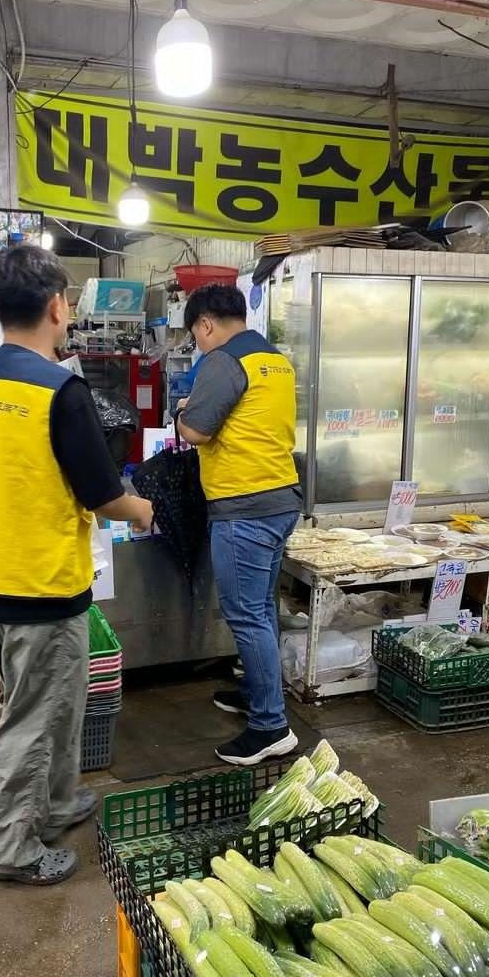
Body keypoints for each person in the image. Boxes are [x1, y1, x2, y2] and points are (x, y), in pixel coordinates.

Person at [0, 245, 153, 886]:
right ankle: (8, 847)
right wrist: (141, 510)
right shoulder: (62, 390)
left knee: (56, 701)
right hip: (44, 583)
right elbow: (103, 496)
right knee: (32, 717)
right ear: (57, 307)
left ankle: (55, 804)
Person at [176, 283, 302, 767]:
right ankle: (256, 692)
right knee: (262, 609)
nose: (198, 343)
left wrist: (181, 413)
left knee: (247, 616)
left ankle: (270, 727)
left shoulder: (224, 361)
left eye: (195, 334)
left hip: (244, 507)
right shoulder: (274, 359)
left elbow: (196, 431)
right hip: (279, 498)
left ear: (206, 324)